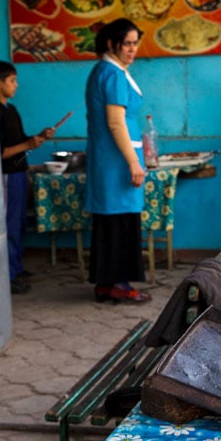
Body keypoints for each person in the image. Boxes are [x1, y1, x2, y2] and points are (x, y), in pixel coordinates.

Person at [84, 18, 151, 304]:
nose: (132, 49)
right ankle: (118, 283)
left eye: (135, 43)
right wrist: (133, 162)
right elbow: (115, 122)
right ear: (112, 44)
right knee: (119, 223)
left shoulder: (107, 71)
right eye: (127, 44)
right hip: (117, 162)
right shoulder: (112, 74)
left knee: (111, 221)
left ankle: (106, 282)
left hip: (110, 159)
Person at [0, 60, 55, 294]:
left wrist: (38, 137)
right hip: (6, 175)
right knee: (7, 225)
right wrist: (27, 144)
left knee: (18, 224)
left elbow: (20, 141)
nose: (16, 85)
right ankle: (7, 276)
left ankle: (17, 268)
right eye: (11, 81)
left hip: (19, 173)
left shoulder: (11, 110)